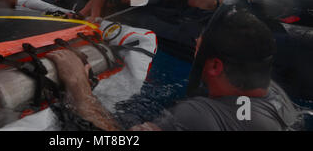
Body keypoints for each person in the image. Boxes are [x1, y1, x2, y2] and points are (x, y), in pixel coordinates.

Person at [46, 9, 300, 131]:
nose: (194, 44)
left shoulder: (198, 116)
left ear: (214, 66)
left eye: (200, 46)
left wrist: (79, 86)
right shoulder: (277, 97)